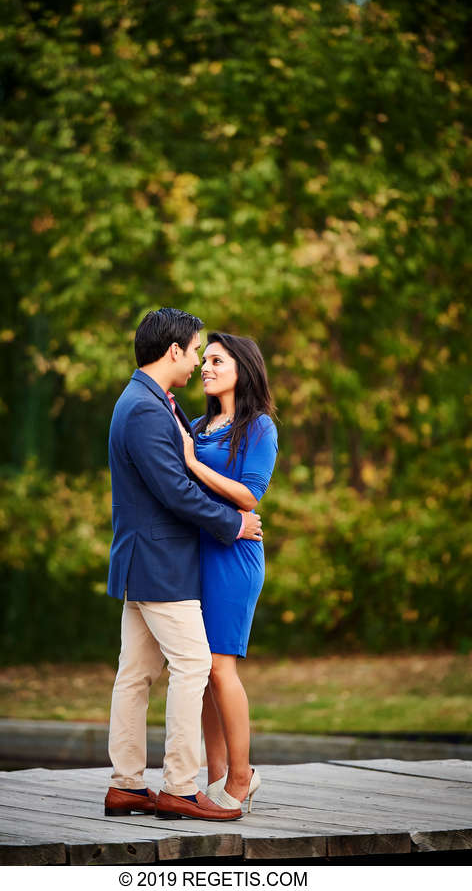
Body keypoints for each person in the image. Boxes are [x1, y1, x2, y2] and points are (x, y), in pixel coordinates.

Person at [104, 308, 263, 822]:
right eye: (196, 351)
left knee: (136, 673)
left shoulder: (146, 401)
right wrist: (233, 524)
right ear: (173, 351)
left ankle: (127, 785)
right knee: (194, 666)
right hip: (162, 562)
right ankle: (179, 787)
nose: (197, 362)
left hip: (145, 560)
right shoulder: (149, 410)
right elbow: (174, 490)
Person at [177, 332, 278, 813]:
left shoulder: (258, 428)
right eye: (205, 361)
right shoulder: (197, 425)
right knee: (200, 671)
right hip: (196, 556)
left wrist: (193, 462)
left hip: (234, 558)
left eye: (216, 360)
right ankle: (214, 779)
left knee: (221, 668)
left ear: (243, 367)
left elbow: (249, 495)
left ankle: (242, 777)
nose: (206, 368)